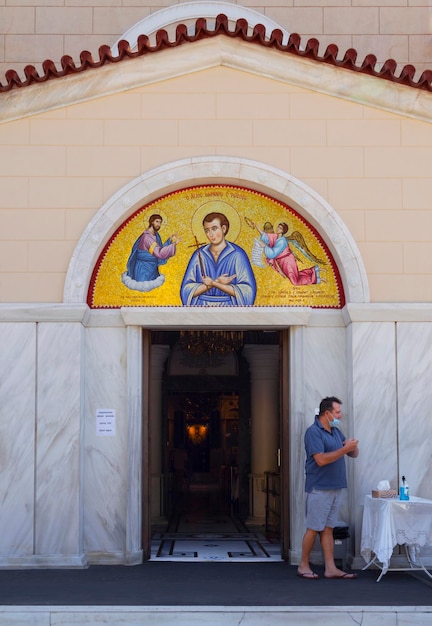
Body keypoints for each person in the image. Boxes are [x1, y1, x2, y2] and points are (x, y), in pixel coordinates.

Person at [297, 396, 359, 580]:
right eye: (338, 412)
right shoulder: (313, 432)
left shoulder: (335, 431)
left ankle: (330, 568)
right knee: (313, 528)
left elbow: (352, 454)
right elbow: (321, 459)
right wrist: (344, 448)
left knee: (328, 528)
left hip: (335, 486)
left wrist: (352, 447)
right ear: (327, 413)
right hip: (319, 487)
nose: (340, 415)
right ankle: (303, 565)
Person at [180, 211, 256, 306]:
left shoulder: (238, 254)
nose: (210, 234)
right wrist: (217, 281)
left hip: (229, 309)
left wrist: (213, 283)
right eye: (207, 230)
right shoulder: (199, 254)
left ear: (223, 229)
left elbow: (247, 292)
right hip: (201, 307)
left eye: (214, 229)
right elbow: (186, 291)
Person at [122, 214, 179, 292]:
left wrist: (169, 240)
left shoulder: (155, 235)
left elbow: (159, 248)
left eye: (160, 222)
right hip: (144, 269)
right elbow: (159, 253)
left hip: (152, 269)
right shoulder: (147, 237)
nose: (159, 224)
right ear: (151, 222)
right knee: (143, 290)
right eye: (157, 221)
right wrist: (174, 245)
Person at [254, 221, 321, 285]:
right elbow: (266, 237)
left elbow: (273, 254)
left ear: (283, 231)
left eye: (280, 228)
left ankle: (314, 278)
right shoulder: (275, 236)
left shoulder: (282, 241)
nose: (278, 229)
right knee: (295, 276)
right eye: (278, 227)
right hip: (282, 262)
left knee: (295, 281)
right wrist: (257, 227)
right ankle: (314, 271)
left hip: (288, 261)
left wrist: (265, 246)